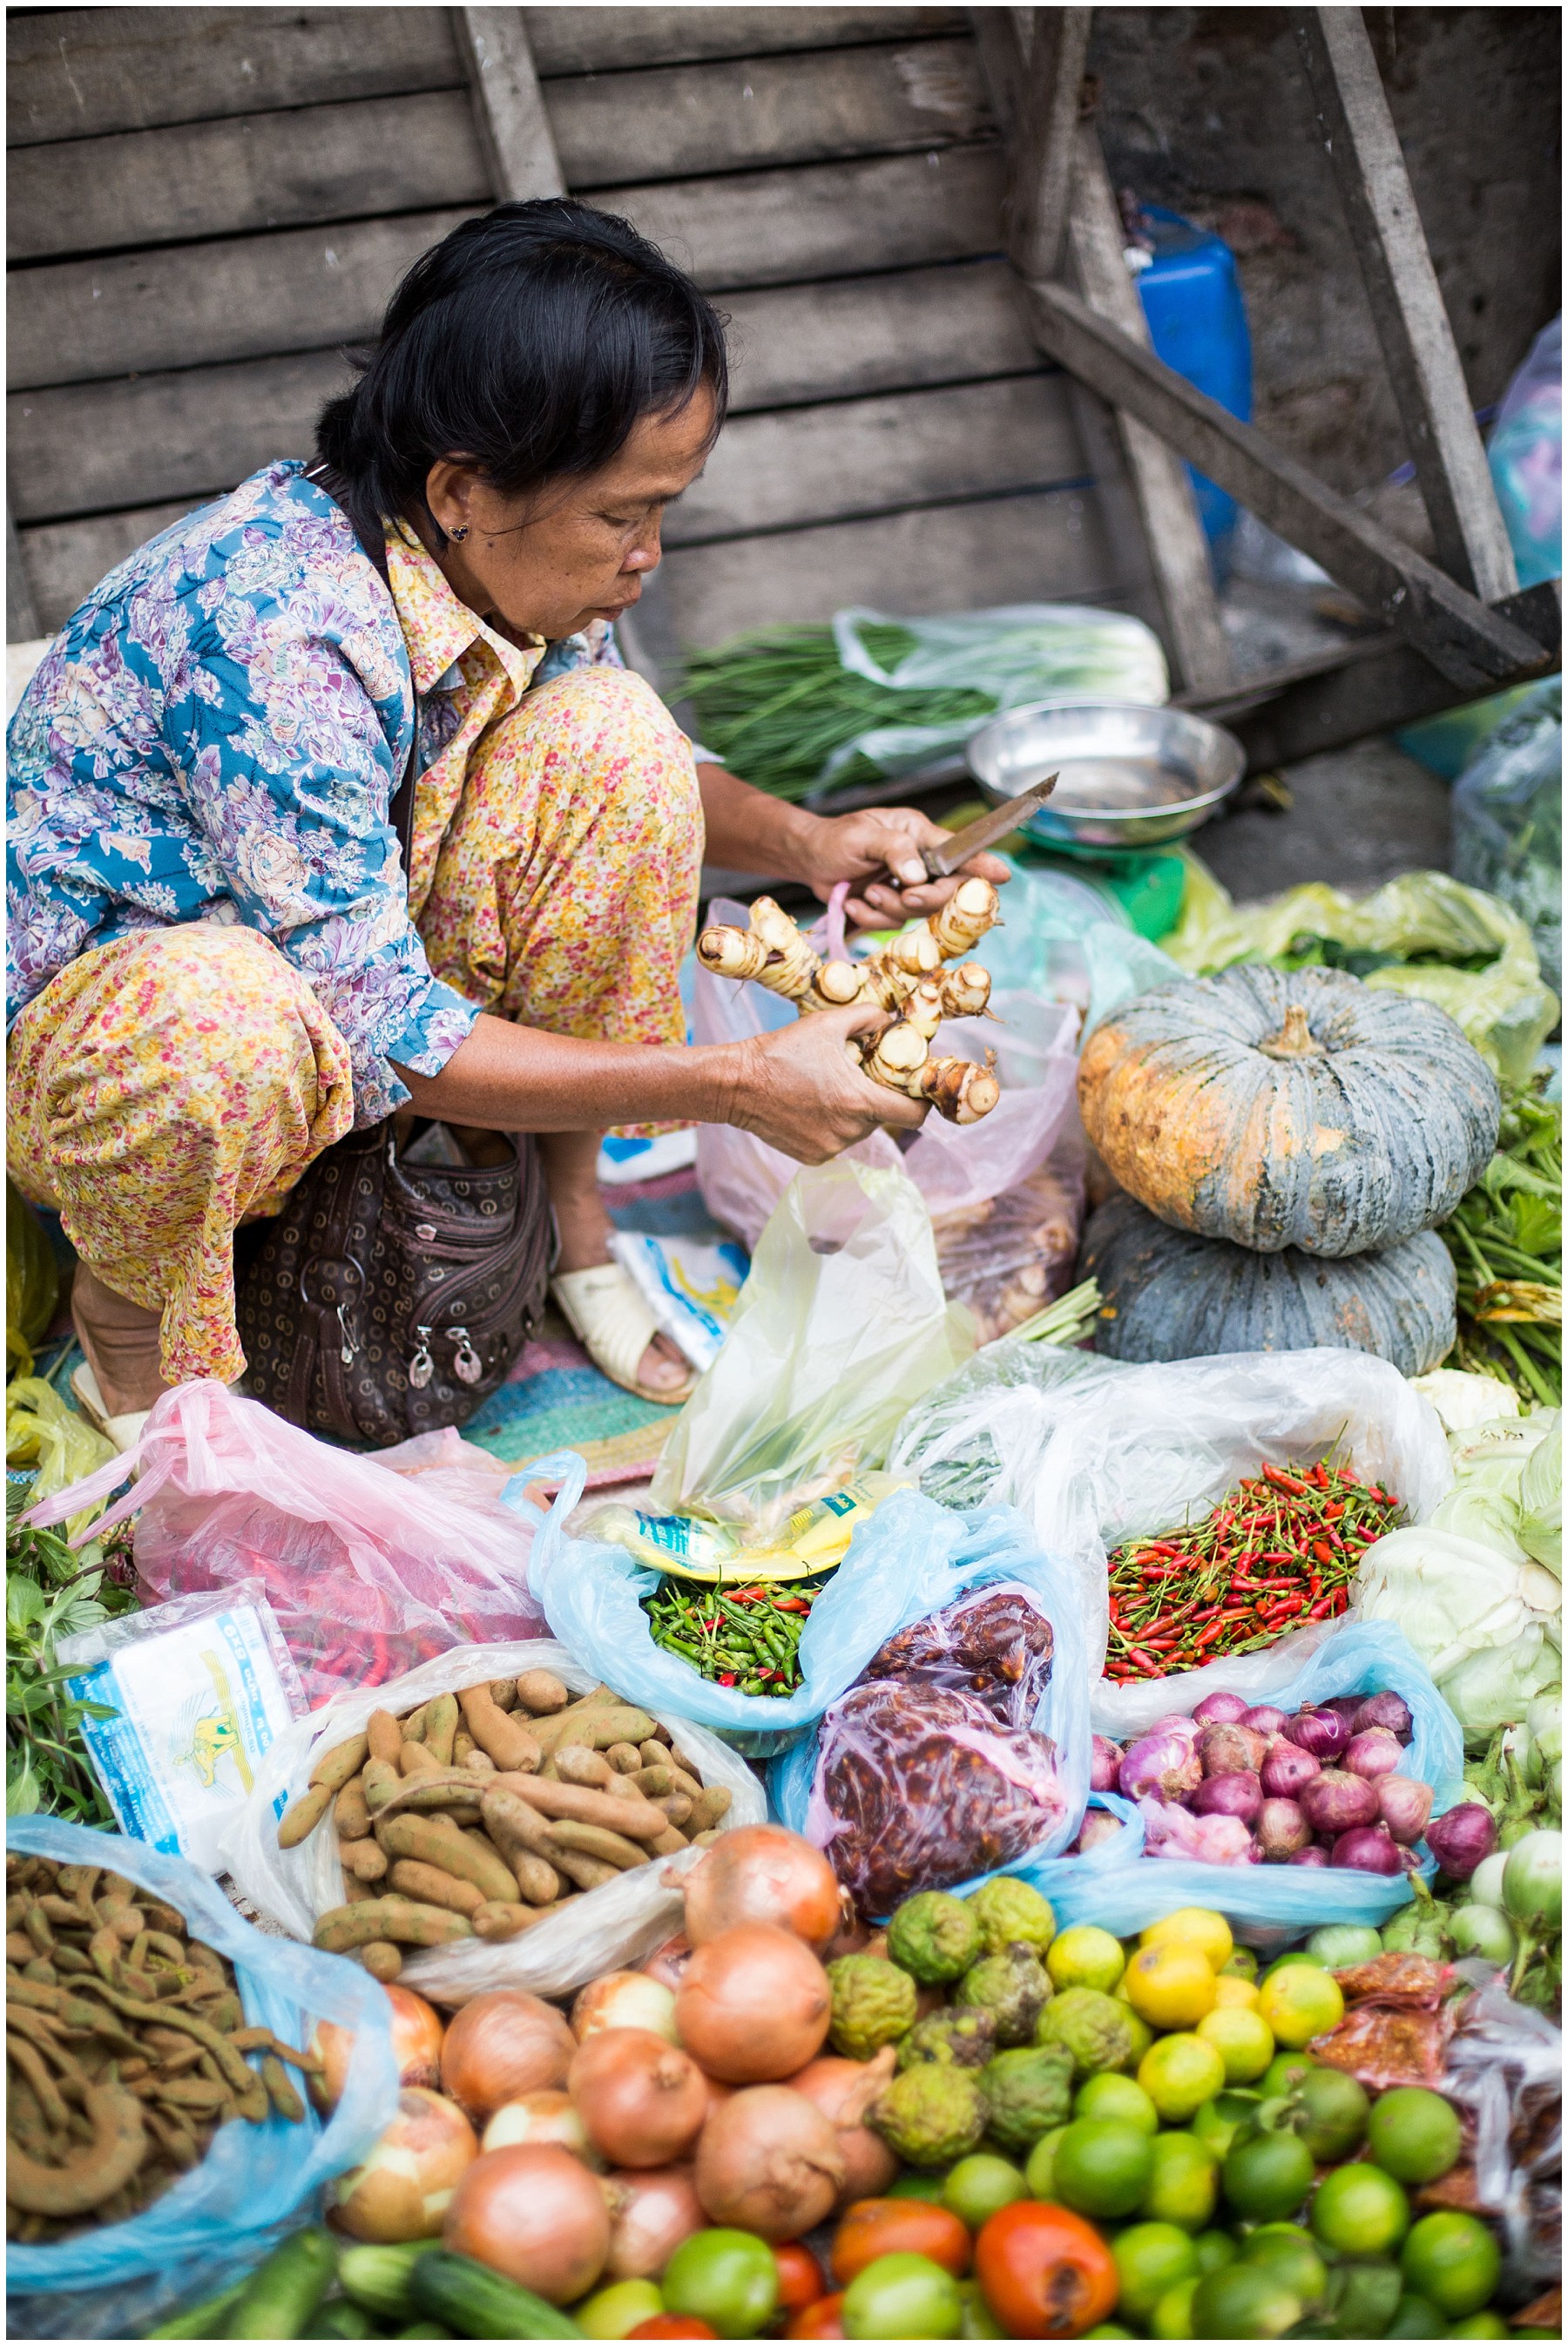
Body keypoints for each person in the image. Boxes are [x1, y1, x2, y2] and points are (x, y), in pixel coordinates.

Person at [6, 199, 1005, 1445]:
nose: (649, 557)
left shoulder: (480, 555)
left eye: (663, 509)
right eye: (621, 515)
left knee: (620, 736)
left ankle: (570, 1226)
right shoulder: (279, 628)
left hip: (333, 964)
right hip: (114, 1056)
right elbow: (381, 1016)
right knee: (218, 1026)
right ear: (463, 487)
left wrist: (811, 843)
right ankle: (129, 1318)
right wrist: (738, 1082)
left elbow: (631, 770)